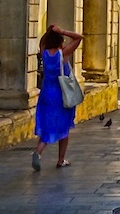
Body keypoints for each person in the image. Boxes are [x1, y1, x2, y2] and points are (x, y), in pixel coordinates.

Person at [33, 24, 82, 170]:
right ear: (60, 41)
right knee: (63, 125)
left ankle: (39, 151)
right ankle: (60, 159)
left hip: (46, 93)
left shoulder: (44, 53)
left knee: (48, 123)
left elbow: (41, 42)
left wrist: (49, 32)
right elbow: (79, 37)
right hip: (61, 93)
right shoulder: (63, 53)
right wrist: (63, 31)